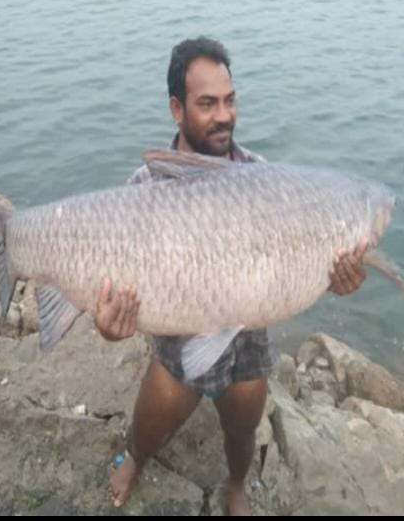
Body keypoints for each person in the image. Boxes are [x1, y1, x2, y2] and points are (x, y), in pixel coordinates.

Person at [97, 37, 367, 515]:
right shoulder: (144, 188)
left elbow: (299, 259)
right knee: (149, 426)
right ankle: (137, 459)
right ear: (176, 109)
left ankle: (237, 484)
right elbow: (115, 292)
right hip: (179, 344)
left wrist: (336, 278)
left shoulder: (261, 178)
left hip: (247, 343)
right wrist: (109, 324)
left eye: (229, 100)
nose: (224, 115)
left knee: (242, 429)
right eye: (207, 104)